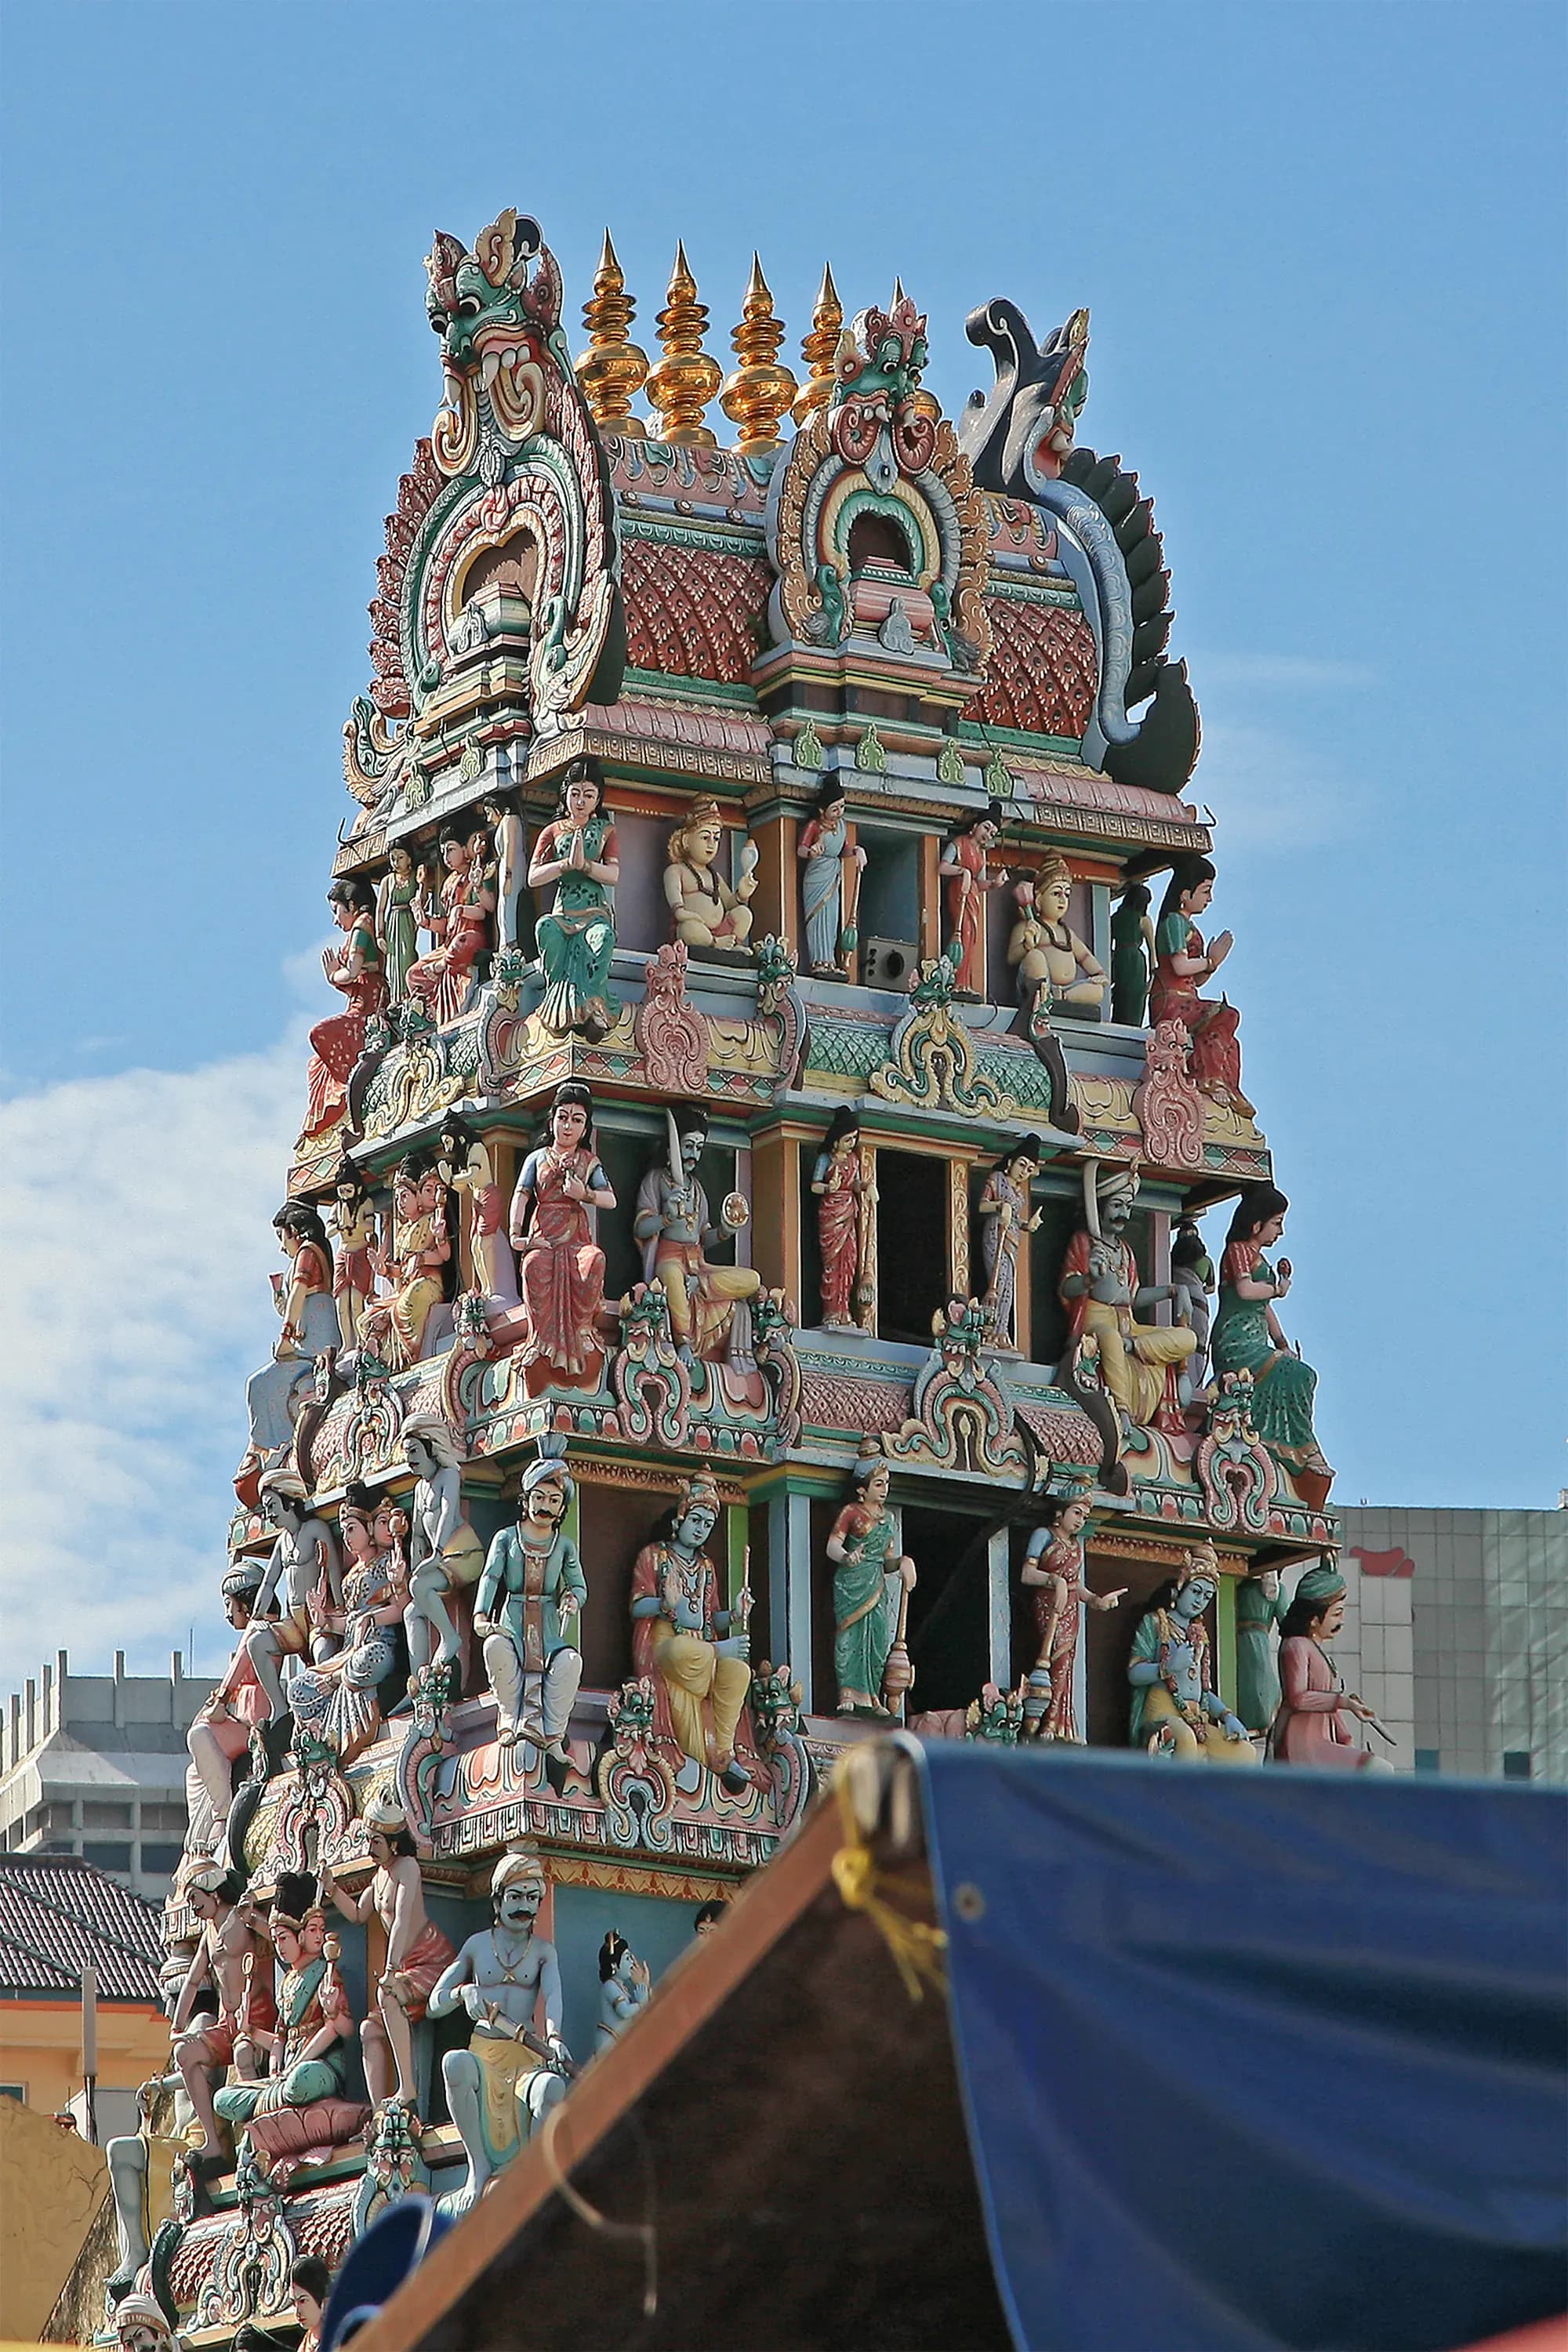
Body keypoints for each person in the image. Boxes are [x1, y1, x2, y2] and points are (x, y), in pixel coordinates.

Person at [429, 1847, 571, 2211]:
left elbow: (553, 1996)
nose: (524, 1906)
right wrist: (463, 1993)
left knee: (552, 2088)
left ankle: (533, 2176)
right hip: (485, 2055)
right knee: (454, 2064)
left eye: (532, 1898)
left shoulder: (543, 1952)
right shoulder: (477, 1946)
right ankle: (477, 2168)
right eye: (515, 1896)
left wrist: (554, 2037)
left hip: (526, 2057)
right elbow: (434, 2002)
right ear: (497, 1900)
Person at [321, 1795, 456, 2107]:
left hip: (431, 1960)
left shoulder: (407, 1868)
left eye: (376, 1842)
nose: (370, 1848)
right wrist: (331, 1889)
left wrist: (391, 1969)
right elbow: (357, 1914)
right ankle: (381, 2109)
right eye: (368, 1840)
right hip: (405, 1966)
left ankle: (408, 2089)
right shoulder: (380, 1876)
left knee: (387, 1994)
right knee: (369, 2028)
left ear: (394, 1844)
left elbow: (402, 1919)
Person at [630, 1474, 752, 1791]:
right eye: (695, 1520)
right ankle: (717, 1656)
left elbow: (711, 1619)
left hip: (701, 1654)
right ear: (680, 1518)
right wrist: (662, 1603)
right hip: (670, 1650)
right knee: (680, 1650)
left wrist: (736, 1614)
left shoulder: (707, 1566)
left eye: (708, 1525)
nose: (700, 1529)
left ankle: (723, 1753)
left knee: (739, 1671)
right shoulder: (655, 1556)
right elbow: (636, 1607)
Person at [1058, 1162, 1196, 1431]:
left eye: (1128, 1207)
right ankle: (1121, 1411)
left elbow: (1131, 1297)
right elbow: (1067, 1288)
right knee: (1109, 1338)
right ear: (1101, 1207)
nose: (1124, 1214)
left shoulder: (1125, 1251)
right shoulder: (1085, 1243)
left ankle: (1133, 1348)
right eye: (1117, 1205)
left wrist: (1173, 1290)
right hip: (1097, 1323)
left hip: (1128, 1327)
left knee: (1188, 1338)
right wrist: (1089, 1279)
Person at [474, 1455, 586, 1783]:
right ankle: (510, 1718)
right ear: (526, 1500)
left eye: (554, 1500)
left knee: (570, 1663)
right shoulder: (507, 1539)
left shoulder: (563, 1545)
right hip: (512, 1622)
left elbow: (578, 1585)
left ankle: (552, 1734)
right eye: (539, 1498)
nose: (545, 1507)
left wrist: (572, 1598)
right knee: (495, 1647)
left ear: (562, 1508)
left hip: (548, 1627)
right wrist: (481, 1615)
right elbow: (491, 1578)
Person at [1210, 1187, 1328, 1480]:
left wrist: (1282, 1342)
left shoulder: (1257, 1256)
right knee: (1298, 1375)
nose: (1281, 1231)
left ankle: (1291, 1444)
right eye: (1276, 1223)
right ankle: (1301, 1448)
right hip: (1236, 1342)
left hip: (1257, 1340)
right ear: (1256, 1224)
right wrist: (1277, 1290)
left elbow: (1263, 1308)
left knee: (1303, 1374)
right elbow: (1245, 1290)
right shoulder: (1238, 1250)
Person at [633, 1105, 760, 1366]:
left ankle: (699, 1288)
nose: (694, 1155)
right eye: (688, 1146)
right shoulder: (656, 1180)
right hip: (670, 1258)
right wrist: (666, 1217)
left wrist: (725, 1230)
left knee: (752, 1279)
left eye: (699, 1148)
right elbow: (640, 1229)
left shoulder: (697, 1189)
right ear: (672, 1150)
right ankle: (683, 1343)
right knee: (671, 1277)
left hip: (699, 1265)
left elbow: (703, 1237)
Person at [212, 1906, 353, 2132]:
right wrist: (251, 2031)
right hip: (286, 2073)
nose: (280, 1947)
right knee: (222, 2098)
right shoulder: (286, 1982)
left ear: (300, 1936)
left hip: (319, 2067)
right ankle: (275, 2102)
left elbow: (341, 2030)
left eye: (284, 1938)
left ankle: (271, 2105)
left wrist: (333, 2012)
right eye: (275, 1940)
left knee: (299, 2080)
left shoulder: (326, 1972)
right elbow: (280, 2040)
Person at [510, 1082, 616, 1378]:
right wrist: (515, 1232)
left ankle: (582, 1329)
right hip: (543, 1233)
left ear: (585, 1129)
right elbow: (522, 1194)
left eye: (577, 1120)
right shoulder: (537, 1158)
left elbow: (611, 1199)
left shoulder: (589, 1162)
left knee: (593, 1261)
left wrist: (585, 1194)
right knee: (534, 1266)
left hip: (575, 1236)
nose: (568, 1126)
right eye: (563, 1117)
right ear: (552, 1119)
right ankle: (540, 1338)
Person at [169, 1861, 274, 2154]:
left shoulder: (240, 1918)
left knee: (243, 2056)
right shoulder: (209, 1934)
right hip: (227, 2021)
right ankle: (212, 2141)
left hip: (256, 2013)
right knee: (185, 2054)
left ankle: (256, 2140)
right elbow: (191, 1982)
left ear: (213, 1893)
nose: (193, 1907)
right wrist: (177, 2027)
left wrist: (252, 1917)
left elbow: (277, 1940)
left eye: (194, 1899)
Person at [1127, 1546, 1257, 1762]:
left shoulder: (1200, 1635)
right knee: (1185, 1740)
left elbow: (1203, 1691)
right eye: (1195, 1591)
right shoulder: (1156, 1622)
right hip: (1161, 1713)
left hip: (1196, 1717)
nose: (1200, 1601)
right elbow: (1134, 1674)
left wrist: (1227, 1716)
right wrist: (1168, 1667)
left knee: (1244, 1753)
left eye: (1207, 1597)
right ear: (1179, 1588)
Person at [1149, 856, 1252, 1115]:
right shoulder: (1173, 922)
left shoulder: (1188, 926)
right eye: (1206, 891)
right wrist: (1210, 960)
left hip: (1187, 997)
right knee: (1223, 1015)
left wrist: (1212, 964)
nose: (1210, 898)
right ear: (1185, 893)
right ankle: (1208, 1078)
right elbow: (1181, 968)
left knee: (1228, 1021)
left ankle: (1226, 1083)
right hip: (1170, 1001)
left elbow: (1196, 979)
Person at [1018, 1494, 1125, 1742]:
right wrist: (1054, 1580)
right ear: (1060, 1513)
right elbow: (1027, 1573)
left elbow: (1078, 1587)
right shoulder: (1043, 1535)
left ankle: (1058, 1725)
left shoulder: (1076, 1546)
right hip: (1049, 1604)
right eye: (1077, 1513)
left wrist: (1097, 1600)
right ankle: (1042, 1721)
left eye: (1085, 1517)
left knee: (1065, 1665)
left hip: (1070, 1610)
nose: (1080, 1521)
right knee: (1051, 1657)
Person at [528, 760, 620, 1037]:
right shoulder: (553, 832)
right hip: (564, 911)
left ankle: (594, 1003)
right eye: (575, 794)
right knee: (545, 928)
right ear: (565, 794)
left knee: (603, 937)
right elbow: (533, 877)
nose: (581, 802)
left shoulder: (606, 831)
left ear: (598, 799)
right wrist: (565, 866)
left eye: (588, 795)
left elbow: (614, 874)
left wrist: (587, 867)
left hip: (594, 911)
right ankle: (558, 1001)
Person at [244, 1201, 339, 1458]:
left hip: (316, 1345)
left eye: (281, 1236)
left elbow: (299, 1293)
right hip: (310, 1340)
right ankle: (270, 1444)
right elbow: (296, 1300)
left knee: (260, 1384)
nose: (281, 1246)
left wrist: (286, 1336)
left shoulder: (308, 1253)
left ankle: (267, 1446)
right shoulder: (310, 1254)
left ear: (295, 1231)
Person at [245, 1473, 343, 1720]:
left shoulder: (314, 1529)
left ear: (288, 1501)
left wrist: (341, 1606)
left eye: (272, 1507)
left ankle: (329, 1712)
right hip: (294, 1620)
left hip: (318, 1617)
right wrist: (255, 1619)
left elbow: (332, 1569)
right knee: (256, 1643)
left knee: (323, 1657)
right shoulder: (282, 1542)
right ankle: (279, 1708)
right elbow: (268, 1583)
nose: (269, 1515)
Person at [824, 1458, 916, 1718]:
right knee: (850, 1637)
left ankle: (873, 1696)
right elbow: (832, 1545)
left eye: (886, 1483)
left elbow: (887, 1562)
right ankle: (848, 1694)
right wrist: (846, 1557)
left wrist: (903, 1562)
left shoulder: (887, 1520)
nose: (884, 1489)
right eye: (878, 1484)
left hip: (876, 1583)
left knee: (877, 1640)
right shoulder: (851, 1513)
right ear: (862, 1489)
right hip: (852, 1582)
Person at [1270, 1563, 1385, 1768]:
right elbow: (1297, 1698)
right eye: (1336, 1614)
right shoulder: (1296, 1646)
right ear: (1314, 1620)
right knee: (1377, 1769)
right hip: (1301, 1742)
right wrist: (1344, 1703)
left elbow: (1330, 1706)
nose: (1341, 1620)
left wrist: (1345, 1738)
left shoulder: (1317, 1650)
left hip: (1322, 1740)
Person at [400, 1415, 484, 1693]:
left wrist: (436, 1555)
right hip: (440, 1561)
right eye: (406, 1453)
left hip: (462, 1554)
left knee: (418, 1586)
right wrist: (416, 1564)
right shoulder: (419, 1488)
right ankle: (420, 1682)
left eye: (413, 1451)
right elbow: (417, 1535)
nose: (409, 1459)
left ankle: (450, 1638)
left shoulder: (448, 1476)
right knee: (412, 1610)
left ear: (431, 1448)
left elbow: (448, 1513)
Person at [185, 1566, 270, 1838]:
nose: (227, 1613)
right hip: (243, 1719)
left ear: (245, 1602)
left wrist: (221, 1699)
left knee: (199, 1735)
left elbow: (236, 1672)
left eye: (229, 1604)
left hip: (254, 1726)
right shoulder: (258, 1629)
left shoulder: (258, 1629)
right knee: (193, 1771)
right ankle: (202, 1831)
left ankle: (222, 1813)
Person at [303, 880, 387, 1141]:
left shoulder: (362, 929)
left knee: (319, 1034)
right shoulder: (359, 930)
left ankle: (349, 1083)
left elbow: (351, 972)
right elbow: (354, 980)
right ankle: (325, 1121)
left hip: (369, 1010)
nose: (336, 922)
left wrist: (332, 976)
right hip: (359, 1002)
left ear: (351, 905)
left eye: (336, 911)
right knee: (317, 1064)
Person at [358, 1155, 452, 1370]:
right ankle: (382, 1361)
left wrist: (437, 1240)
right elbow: (401, 1269)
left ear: (417, 1197)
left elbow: (444, 1256)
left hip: (428, 1284)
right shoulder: (402, 1232)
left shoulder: (430, 1221)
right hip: (407, 1285)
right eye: (397, 1198)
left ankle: (404, 1358)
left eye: (404, 1196)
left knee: (406, 1303)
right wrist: (383, 1269)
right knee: (365, 1319)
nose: (400, 1203)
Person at [405, 827, 492, 1024]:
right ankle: (426, 1014)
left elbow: (484, 910)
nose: (446, 856)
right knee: (413, 974)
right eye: (443, 851)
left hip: (470, 936)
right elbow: (446, 926)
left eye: (451, 849)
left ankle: (441, 966)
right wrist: (425, 921)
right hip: (450, 944)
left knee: (461, 943)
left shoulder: (474, 874)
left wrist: (461, 910)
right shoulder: (448, 883)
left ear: (465, 848)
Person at [437, 1112, 516, 1301]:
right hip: (477, 1200)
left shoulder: (477, 1148)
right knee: (474, 1245)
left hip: (489, 1195)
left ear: (460, 1138)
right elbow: (462, 1188)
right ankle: (485, 1286)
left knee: (484, 1242)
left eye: (449, 1141)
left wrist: (451, 1177)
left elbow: (473, 1174)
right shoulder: (463, 1157)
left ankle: (492, 1287)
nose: (447, 1147)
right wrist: (447, 1180)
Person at [978, 1137, 1044, 1353]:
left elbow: (1015, 1219)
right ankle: (987, 1331)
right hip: (996, 1234)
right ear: (1010, 1163)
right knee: (996, 1281)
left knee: (1008, 1286)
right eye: (1022, 1165)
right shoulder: (997, 1179)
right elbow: (982, 1206)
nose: (1024, 1172)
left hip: (1012, 1237)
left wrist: (1028, 1225)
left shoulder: (1020, 1195)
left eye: (1029, 1169)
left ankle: (1001, 1332)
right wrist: (1001, 1205)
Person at [665, 798, 757, 950]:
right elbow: (678, 911)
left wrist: (742, 894)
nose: (711, 845)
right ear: (686, 840)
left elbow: (729, 904)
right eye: (705, 837)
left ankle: (732, 944)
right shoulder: (676, 871)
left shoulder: (714, 876)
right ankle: (714, 944)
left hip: (722, 931)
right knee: (689, 929)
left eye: (716, 839)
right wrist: (688, 915)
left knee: (744, 913)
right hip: (697, 930)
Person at [797, 778, 865, 975]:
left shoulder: (842, 826)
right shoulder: (814, 826)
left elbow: (843, 849)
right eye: (834, 809)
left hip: (833, 874)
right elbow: (800, 849)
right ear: (821, 810)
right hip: (817, 874)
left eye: (842, 807)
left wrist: (856, 851)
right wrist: (811, 852)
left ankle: (829, 961)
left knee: (832, 917)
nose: (839, 812)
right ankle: (818, 961)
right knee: (817, 917)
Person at [811, 1106, 869, 1330]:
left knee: (849, 1263)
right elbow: (814, 1186)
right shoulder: (825, 1159)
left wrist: (866, 1186)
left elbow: (854, 1183)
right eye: (847, 1139)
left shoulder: (854, 1160)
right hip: (831, 1213)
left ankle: (844, 1310)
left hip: (847, 1210)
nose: (851, 1144)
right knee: (831, 1265)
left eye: (854, 1139)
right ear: (835, 1141)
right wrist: (828, 1188)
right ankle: (831, 1311)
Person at [939, 811, 1006, 995]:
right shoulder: (959, 844)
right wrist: (964, 872)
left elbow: (980, 882)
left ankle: (964, 982)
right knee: (962, 931)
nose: (987, 834)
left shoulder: (981, 854)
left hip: (973, 894)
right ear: (975, 826)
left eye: (992, 833)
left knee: (971, 937)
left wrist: (994, 884)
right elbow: (942, 867)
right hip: (959, 890)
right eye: (986, 828)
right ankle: (954, 980)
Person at [329, 1161, 379, 1352]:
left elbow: (370, 1225)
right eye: (341, 1191)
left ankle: (360, 1340)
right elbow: (329, 1231)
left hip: (360, 1253)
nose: (344, 1195)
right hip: (343, 1254)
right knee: (342, 1303)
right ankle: (347, 1343)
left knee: (356, 1301)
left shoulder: (366, 1203)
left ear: (357, 1189)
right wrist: (341, 1226)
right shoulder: (337, 1207)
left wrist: (355, 1224)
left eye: (348, 1190)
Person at [478, 786, 528, 956]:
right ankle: (505, 942)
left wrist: (508, 873)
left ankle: (510, 942)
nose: (488, 817)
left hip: (512, 864)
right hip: (506, 862)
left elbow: (509, 844)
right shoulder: (505, 821)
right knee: (503, 904)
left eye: (489, 812)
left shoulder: (509, 819)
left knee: (508, 902)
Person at [376, 842, 422, 1004]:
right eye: (393, 858)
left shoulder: (415, 876)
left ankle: (410, 993)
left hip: (408, 919)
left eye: (400, 857)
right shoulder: (388, 880)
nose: (396, 862)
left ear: (409, 858)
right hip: (393, 921)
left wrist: (422, 884)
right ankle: (396, 998)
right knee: (393, 960)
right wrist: (379, 934)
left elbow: (422, 899)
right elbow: (380, 909)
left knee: (407, 954)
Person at [1109, 879, 1155, 1026]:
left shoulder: (1115, 918)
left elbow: (1107, 947)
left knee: (1121, 998)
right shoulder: (1144, 920)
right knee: (1135, 1000)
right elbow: (1152, 950)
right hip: (1136, 962)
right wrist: (1153, 977)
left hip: (1119, 958)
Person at [596, 1933, 650, 2046]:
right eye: (627, 1958)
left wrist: (643, 1984)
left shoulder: (621, 1987)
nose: (632, 1962)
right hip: (609, 2042)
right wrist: (641, 2004)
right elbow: (625, 2012)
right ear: (614, 1965)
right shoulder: (610, 1986)